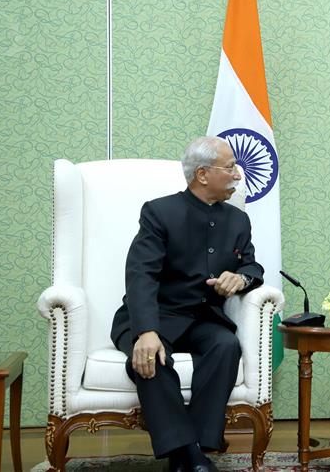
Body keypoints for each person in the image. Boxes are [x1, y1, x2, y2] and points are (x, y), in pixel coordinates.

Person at [110, 136, 264, 472]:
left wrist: (241, 279)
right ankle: (190, 455)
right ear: (203, 174)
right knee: (150, 355)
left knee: (225, 345)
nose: (238, 175)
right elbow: (141, 275)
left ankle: (192, 449)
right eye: (230, 167)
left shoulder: (238, 220)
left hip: (201, 318)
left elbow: (252, 266)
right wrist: (147, 331)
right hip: (155, 314)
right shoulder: (159, 212)